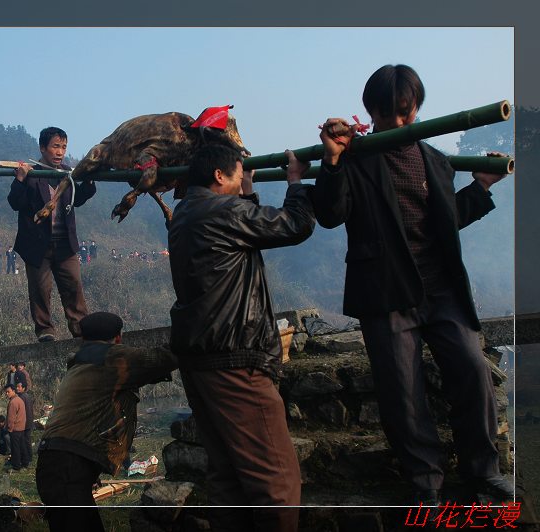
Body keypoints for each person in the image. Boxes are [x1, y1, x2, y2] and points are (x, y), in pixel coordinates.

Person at [312, 64, 513, 505]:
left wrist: (480, 185)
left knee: (473, 370)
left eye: (405, 113)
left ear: (416, 108)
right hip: (386, 291)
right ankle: (425, 480)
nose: (398, 123)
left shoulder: (436, 162)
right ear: (372, 112)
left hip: (440, 287)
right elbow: (330, 214)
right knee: (401, 389)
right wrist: (331, 160)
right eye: (388, 115)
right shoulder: (356, 158)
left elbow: (446, 221)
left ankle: (484, 471)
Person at [168, 144, 314, 531]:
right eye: (238, 173)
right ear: (219, 176)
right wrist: (295, 178)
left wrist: (247, 191)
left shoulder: (185, 213)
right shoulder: (222, 211)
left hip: (200, 361)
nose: (240, 179)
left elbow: (244, 229)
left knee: (228, 477)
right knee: (277, 480)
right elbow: (294, 225)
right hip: (234, 360)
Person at [35, 312, 177, 532]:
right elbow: (164, 358)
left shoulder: (80, 360)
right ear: (118, 337)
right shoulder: (113, 357)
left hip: (58, 465)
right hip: (67, 468)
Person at [8, 127, 96, 342]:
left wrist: (88, 180)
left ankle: (80, 329)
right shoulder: (31, 174)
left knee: (73, 287)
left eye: (63, 147)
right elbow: (15, 202)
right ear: (42, 148)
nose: (60, 152)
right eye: (55, 146)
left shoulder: (68, 174)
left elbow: (80, 198)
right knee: (40, 290)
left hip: (65, 244)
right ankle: (45, 330)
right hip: (37, 245)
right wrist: (19, 179)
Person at [5, 384, 28, 471]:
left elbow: (11, 418)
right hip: (21, 427)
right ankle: (25, 463)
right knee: (22, 446)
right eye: (6, 392)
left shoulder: (13, 402)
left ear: (13, 391)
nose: (7, 393)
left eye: (8, 392)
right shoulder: (19, 400)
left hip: (15, 428)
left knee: (15, 448)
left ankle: (16, 466)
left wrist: (9, 429)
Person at [16, 381, 34, 466]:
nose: (17, 388)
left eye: (19, 387)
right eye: (17, 387)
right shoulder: (27, 396)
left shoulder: (22, 397)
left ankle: (26, 458)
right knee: (27, 440)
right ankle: (29, 457)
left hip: (25, 422)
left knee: (24, 441)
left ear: (23, 388)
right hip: (29, 422)